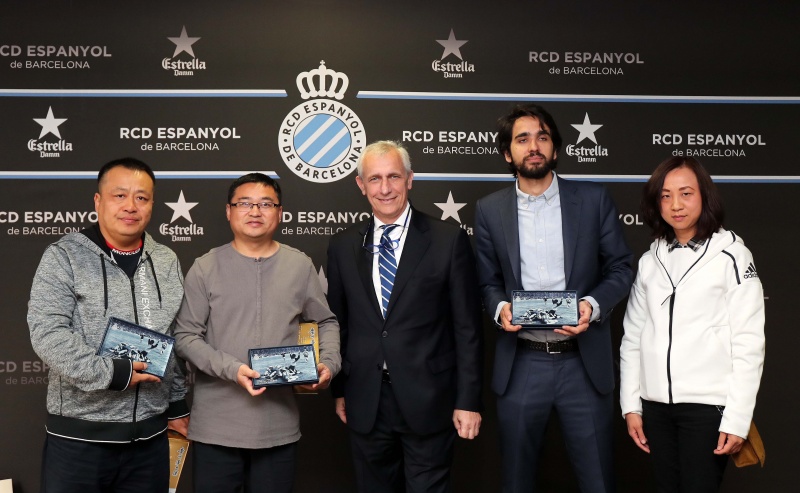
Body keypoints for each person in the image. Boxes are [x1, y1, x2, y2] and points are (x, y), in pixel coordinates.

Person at [474, 103, 633, 492]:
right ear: (507, 153)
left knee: (598, 481)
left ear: (555, 148)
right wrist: (500, 308)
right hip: (522, 363)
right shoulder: (489, 210)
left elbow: (621, 268)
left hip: (583, 362)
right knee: (516, 481)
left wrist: (592, 306)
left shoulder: (593, 200)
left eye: (542, 137)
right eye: (522, 139)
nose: (533, 146)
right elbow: (487, 282)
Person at [327, 140, 483, 493]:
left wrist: (468, 401)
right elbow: (339, 324)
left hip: (430, 399)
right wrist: (340, 390)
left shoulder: (447, 239)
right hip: (365, 400)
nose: (385, 188)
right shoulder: (342, 245)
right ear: (361, 184)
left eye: (394, 177)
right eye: (375, 178)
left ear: (410, 179)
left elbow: (468, 329)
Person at [28, 157, 189, 493]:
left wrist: (176, 405)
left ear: (152, 204)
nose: (131, 206)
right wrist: (115, 372)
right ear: (98, 201)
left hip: (151, 440)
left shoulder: (166, 260)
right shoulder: (64, 256)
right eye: (120, 195)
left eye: (142, 197)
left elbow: (172, 337)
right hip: (79, 440)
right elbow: (48, 333)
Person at [174, 173, 340, 493]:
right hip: (216, 428)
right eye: (244, 203)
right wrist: (233, 369)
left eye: (266, 204)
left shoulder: (299, 265)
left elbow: (325, 322)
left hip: (277, 427)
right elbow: (185, 337)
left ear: (280, 213)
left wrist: (329, 364)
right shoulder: (205, 267)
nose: (254, 211)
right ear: (229, 211)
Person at [620, 157, 765, 492]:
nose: (676, 205)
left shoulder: (732, 256)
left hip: (708, 409)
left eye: (686, 193)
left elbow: (749, 342)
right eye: (665, 196)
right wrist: (631, 405)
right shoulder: (650, 261)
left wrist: (737, 418)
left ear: (704, 196)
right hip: (655, 409)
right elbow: (633, 338)